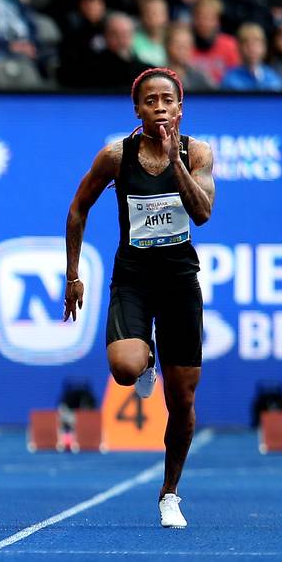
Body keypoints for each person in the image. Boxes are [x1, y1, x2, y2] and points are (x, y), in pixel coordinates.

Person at [63, 68, 216, 528]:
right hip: (133, 278)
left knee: (182, 401)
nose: (161, 108)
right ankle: (145, 358)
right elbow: (77, 209)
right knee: (126, 368)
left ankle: (170, 492)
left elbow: (203, 213)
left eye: (168, 101)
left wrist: (176, 164)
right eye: (151, 101)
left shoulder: (198, 152)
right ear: (138, 110)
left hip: (179, 281)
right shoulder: (116, 155)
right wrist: (73, 274)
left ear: (180, 108)